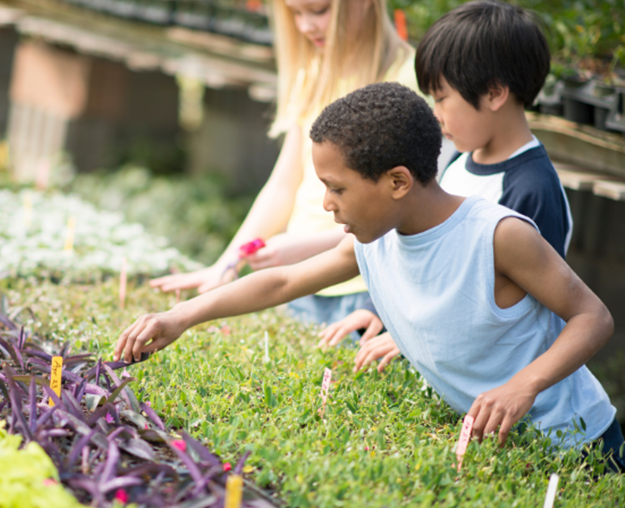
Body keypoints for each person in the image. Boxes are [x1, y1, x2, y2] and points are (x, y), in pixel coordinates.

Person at [114, 82, 623, 470]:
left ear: (397, 181)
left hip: (575, 442)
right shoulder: (373, 238)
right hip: (493, 438)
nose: (325, 203)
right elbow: (283, 282)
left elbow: (593, 317)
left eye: (337, 188)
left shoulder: (496, 235)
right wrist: (181, 317)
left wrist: (523, 386)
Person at [320, 0, 574, 365]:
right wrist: (378, 310)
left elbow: (521, 312)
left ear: (494, 93)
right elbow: (424, 255)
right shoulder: (458, 163)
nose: (436, 114)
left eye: (442, 98)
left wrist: (411, 340)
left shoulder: (531, 189)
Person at [151, 0, 420, 333]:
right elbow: (285, 184)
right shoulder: (314, 71)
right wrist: (226, 265)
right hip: (300, 284)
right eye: (296, 13)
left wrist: (303, 246)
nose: (305, 27)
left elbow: (405, 210)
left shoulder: (406, 80)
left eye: (319, 11)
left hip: (362, 290)